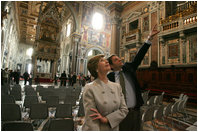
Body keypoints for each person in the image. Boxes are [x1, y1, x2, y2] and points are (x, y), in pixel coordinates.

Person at [107, 24, 160, 131]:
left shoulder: (129, 68)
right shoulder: (109, 78)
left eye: (119, 58)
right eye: (117, 60)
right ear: (111, 66)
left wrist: (149, 38)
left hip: (136, 111)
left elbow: (139, 56)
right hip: (119, 114)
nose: (120, 60)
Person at [82, 54, 128, 131]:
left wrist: (107, 119)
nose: (107, 61)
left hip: (113, 128)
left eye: (105, 59)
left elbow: (124, 110)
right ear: (96, 68)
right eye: (102, 60)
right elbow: (91, 119)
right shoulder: (90, 88)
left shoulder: (117, 86)